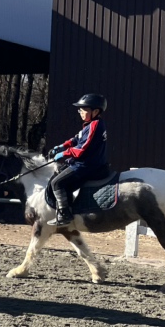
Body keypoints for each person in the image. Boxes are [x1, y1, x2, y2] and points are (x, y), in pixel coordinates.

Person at [46, 93, 109, 227]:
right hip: (87, 163)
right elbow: (76, 139)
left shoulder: (95, 125)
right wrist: (62, 146)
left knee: (56, 183)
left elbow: (81, 149)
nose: (80, 112)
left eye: (83, 109)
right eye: (80, 109)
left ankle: (64, 215)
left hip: (87, 165)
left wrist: (63, 154)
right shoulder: (90, 125)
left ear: (95, 111)